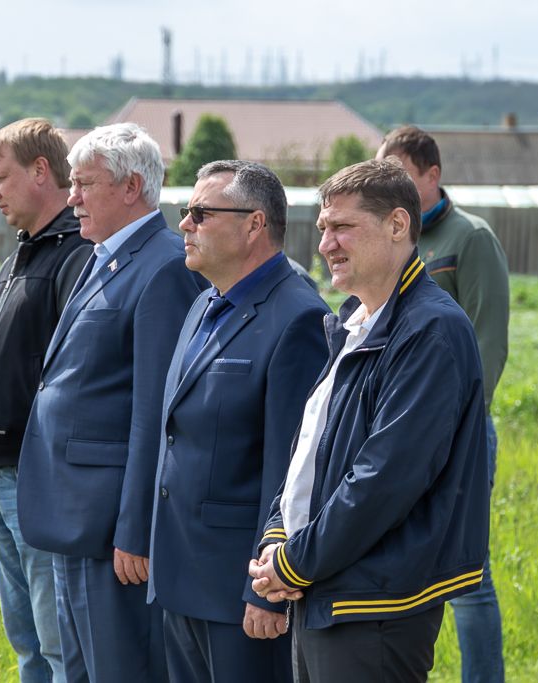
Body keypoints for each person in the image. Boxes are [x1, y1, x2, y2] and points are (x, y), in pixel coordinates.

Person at [250, 159, 490, 683]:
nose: (325, 245)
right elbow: (311, 452)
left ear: (397, 224)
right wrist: (276, 535)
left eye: (342, 227)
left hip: (374, 603)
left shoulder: (430, 330)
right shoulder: (354, 323)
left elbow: (384, 479)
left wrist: (293, 562)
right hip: (324, 588)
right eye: (323, 228)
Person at [16, 123, 206, 683]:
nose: (72, 198)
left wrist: (135, 528)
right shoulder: (104, 255)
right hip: (75, 517)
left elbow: (156, 413)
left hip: (111, 530)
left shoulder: (165, 265)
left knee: (120, 670)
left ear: (130, 188)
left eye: (84, 184)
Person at [147, 160, 328, 683]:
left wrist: (265, 590)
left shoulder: (297, 317)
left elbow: (291, 474)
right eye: (187, 211)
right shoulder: (205, 302)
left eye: (201, 213)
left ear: (254, 225)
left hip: (240, 589)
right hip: (182, 574)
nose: (185, 224)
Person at [0, 118, 92, 683]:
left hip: (37, 480)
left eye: (0, 178)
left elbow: (73, 380)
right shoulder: (23, 253)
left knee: (58, 645)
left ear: (41, 171)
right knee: (27, 642)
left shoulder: (75, 254)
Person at [377, 125, 509, 683]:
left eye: (401, 175)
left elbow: (487, 342)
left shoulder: (469, 238)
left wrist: (458, 427)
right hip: (401, 433)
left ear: (433, 175)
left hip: (459, 434)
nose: (391, 186)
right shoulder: (391, 239)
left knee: (468, 576)